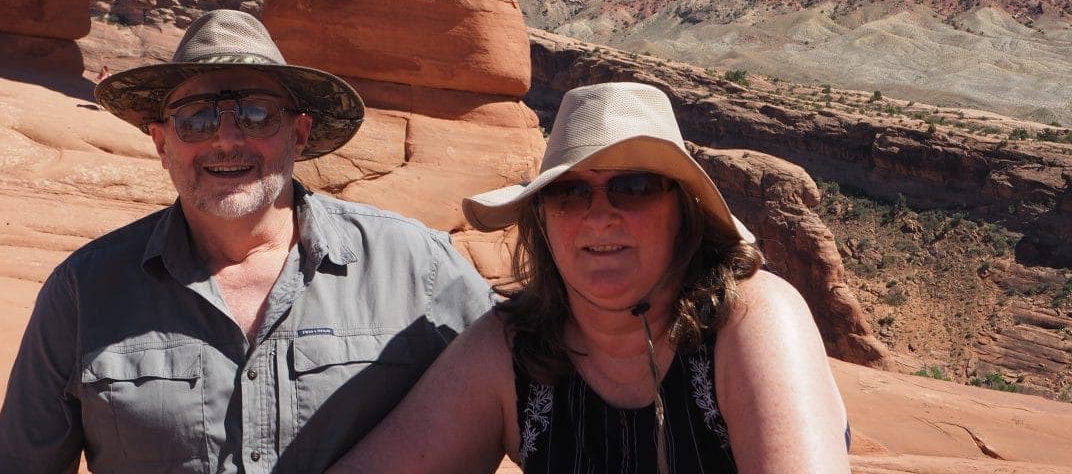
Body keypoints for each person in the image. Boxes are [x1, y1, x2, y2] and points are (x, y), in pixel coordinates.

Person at [0, 9, 493, 474]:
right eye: (196, 118)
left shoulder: (415, 266)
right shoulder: (83, 291)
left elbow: (532, 392)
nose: (226, 139)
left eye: (255, 113)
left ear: (298, 133)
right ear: (163, 143)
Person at [331, 82, 851, 474]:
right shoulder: (511, 350)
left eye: (636, 186)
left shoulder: (750, 317)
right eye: (570, 192)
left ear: (684, 212)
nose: (599, 216)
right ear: (542, 218)